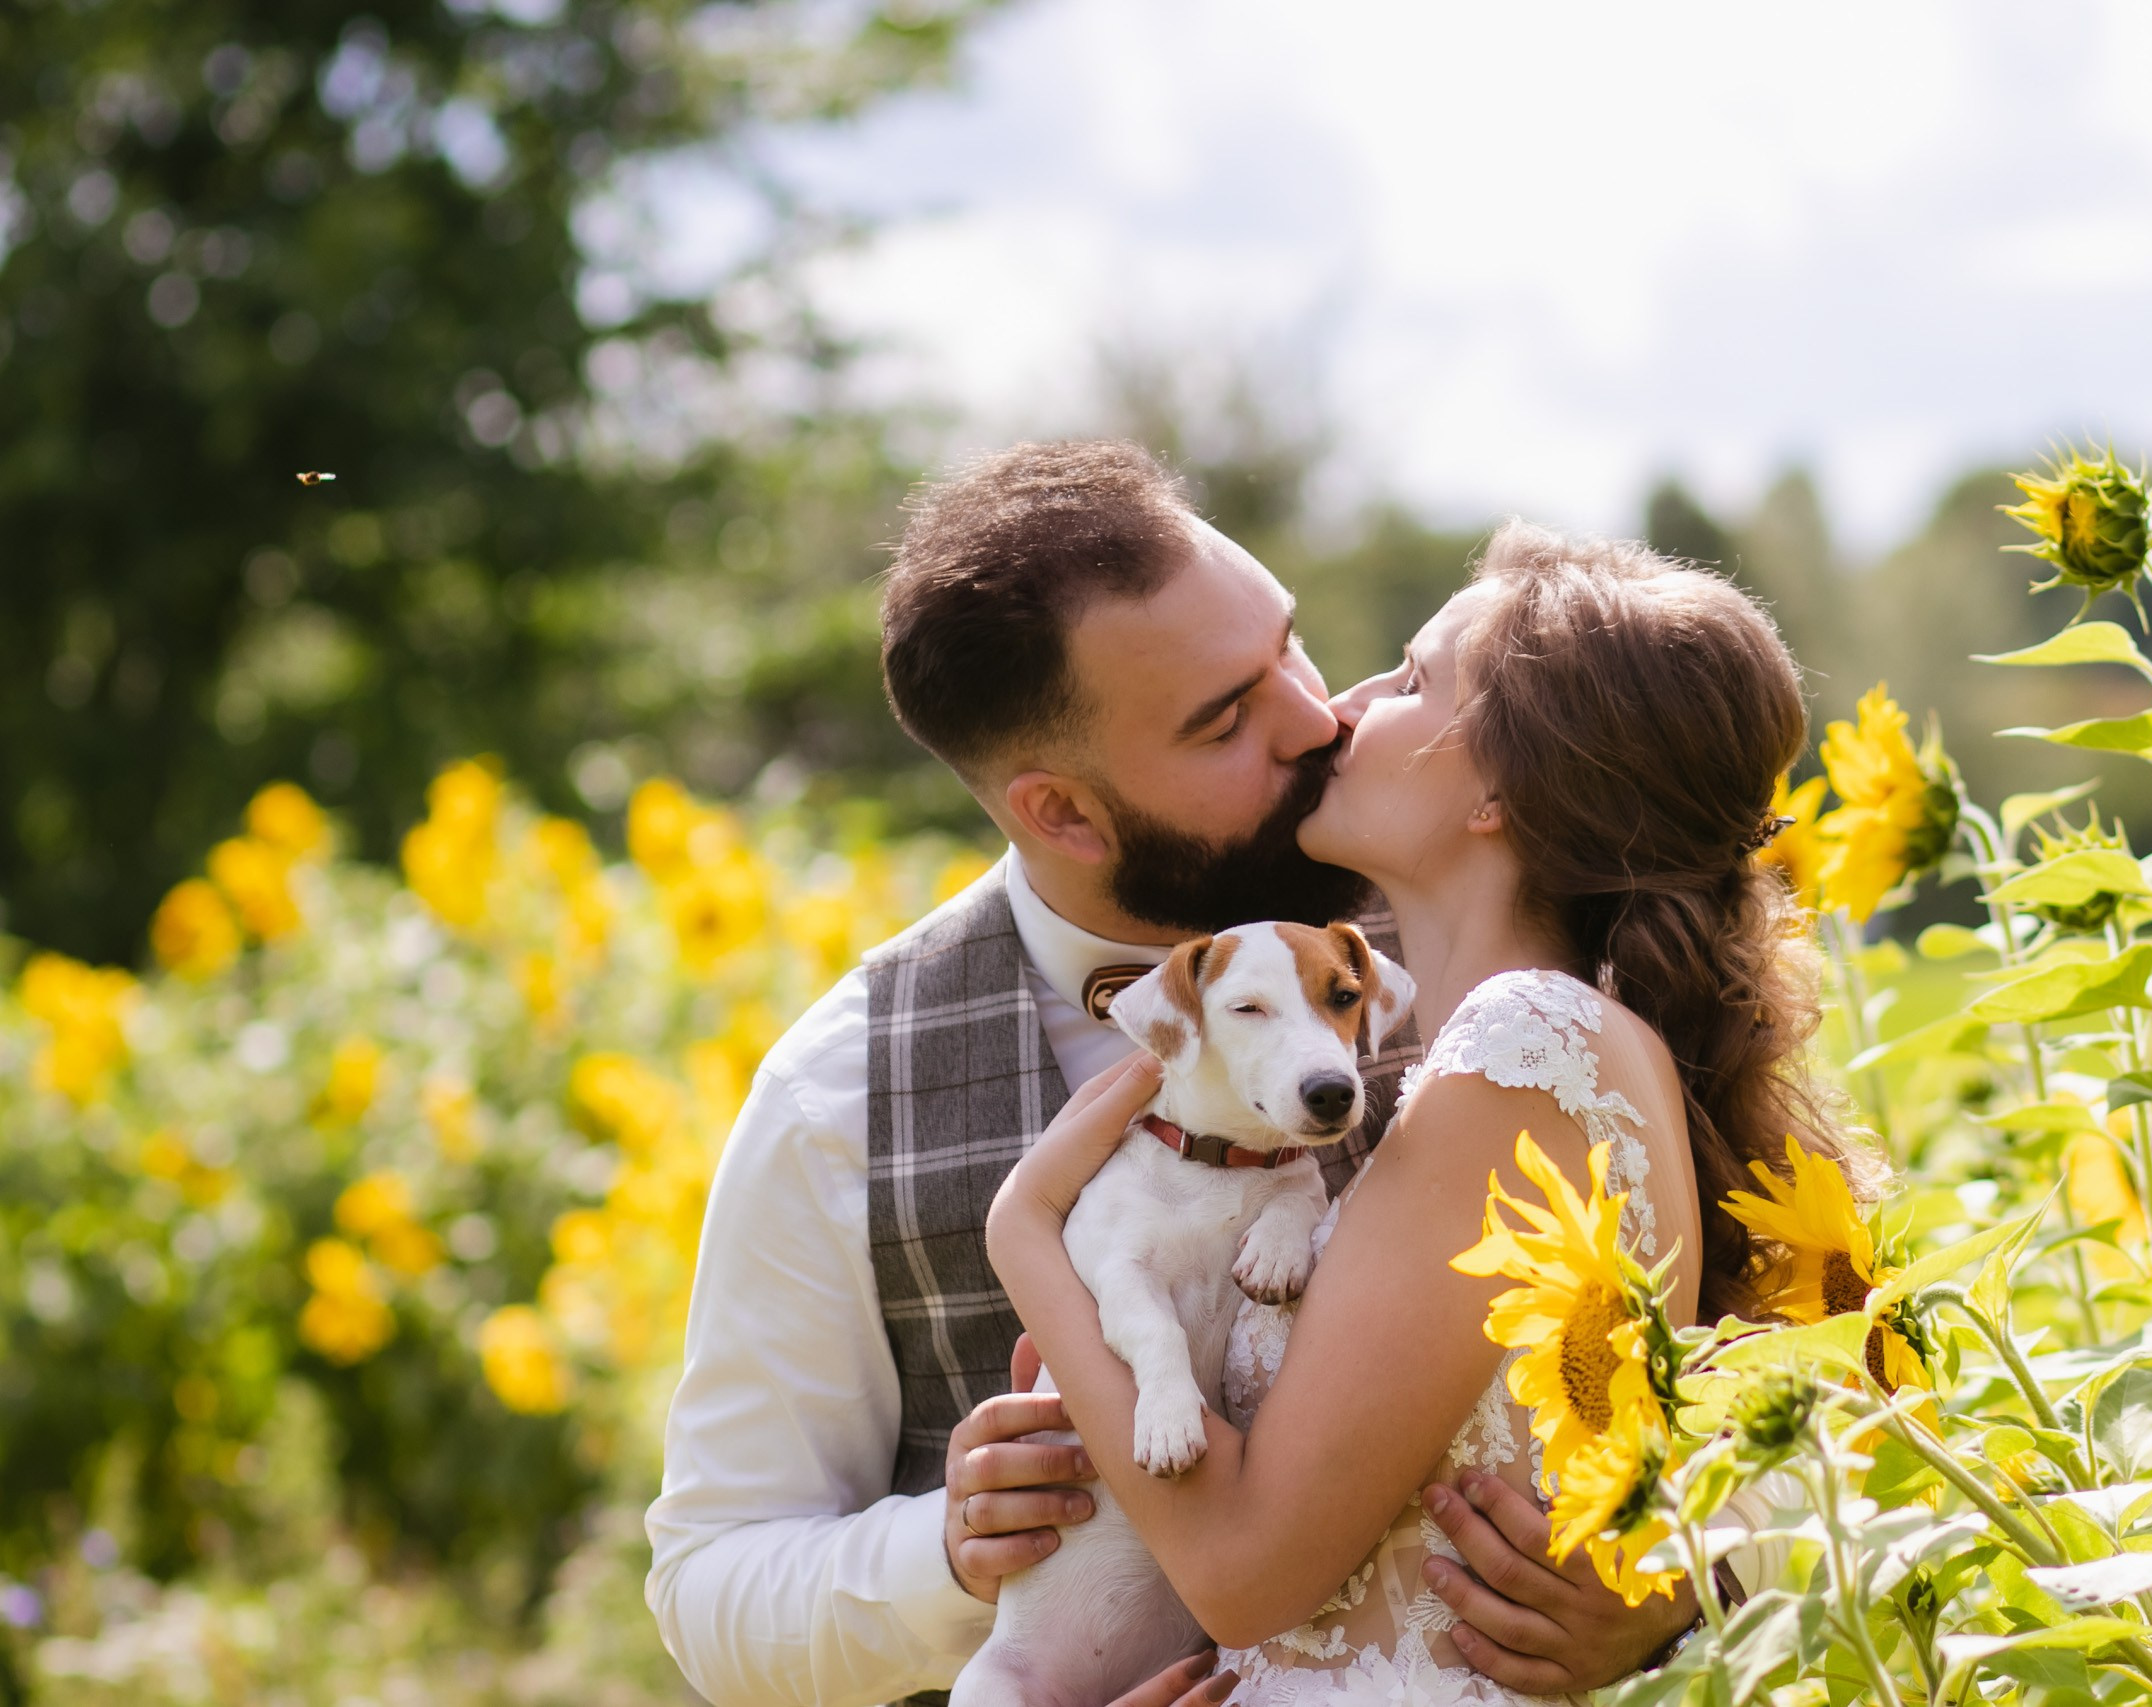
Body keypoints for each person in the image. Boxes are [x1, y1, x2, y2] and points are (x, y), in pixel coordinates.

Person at [645, 446, 1697, 1705]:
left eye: (1289, 649)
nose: (1319, 719)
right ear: (1065, 816)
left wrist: (1679, 1590)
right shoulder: (841, 1095)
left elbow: (1762, 1363)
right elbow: (707, 1582)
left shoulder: (1472, 937)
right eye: (1225, 719)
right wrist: (951, 1548)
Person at [985, 521, 1857, 1702]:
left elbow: (1244, 1571)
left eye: (1407, 679)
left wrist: (1029, 1237)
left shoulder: (1517, 1050)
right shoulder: (1520, 1053)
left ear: (1495, 789)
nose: (1341, 705)